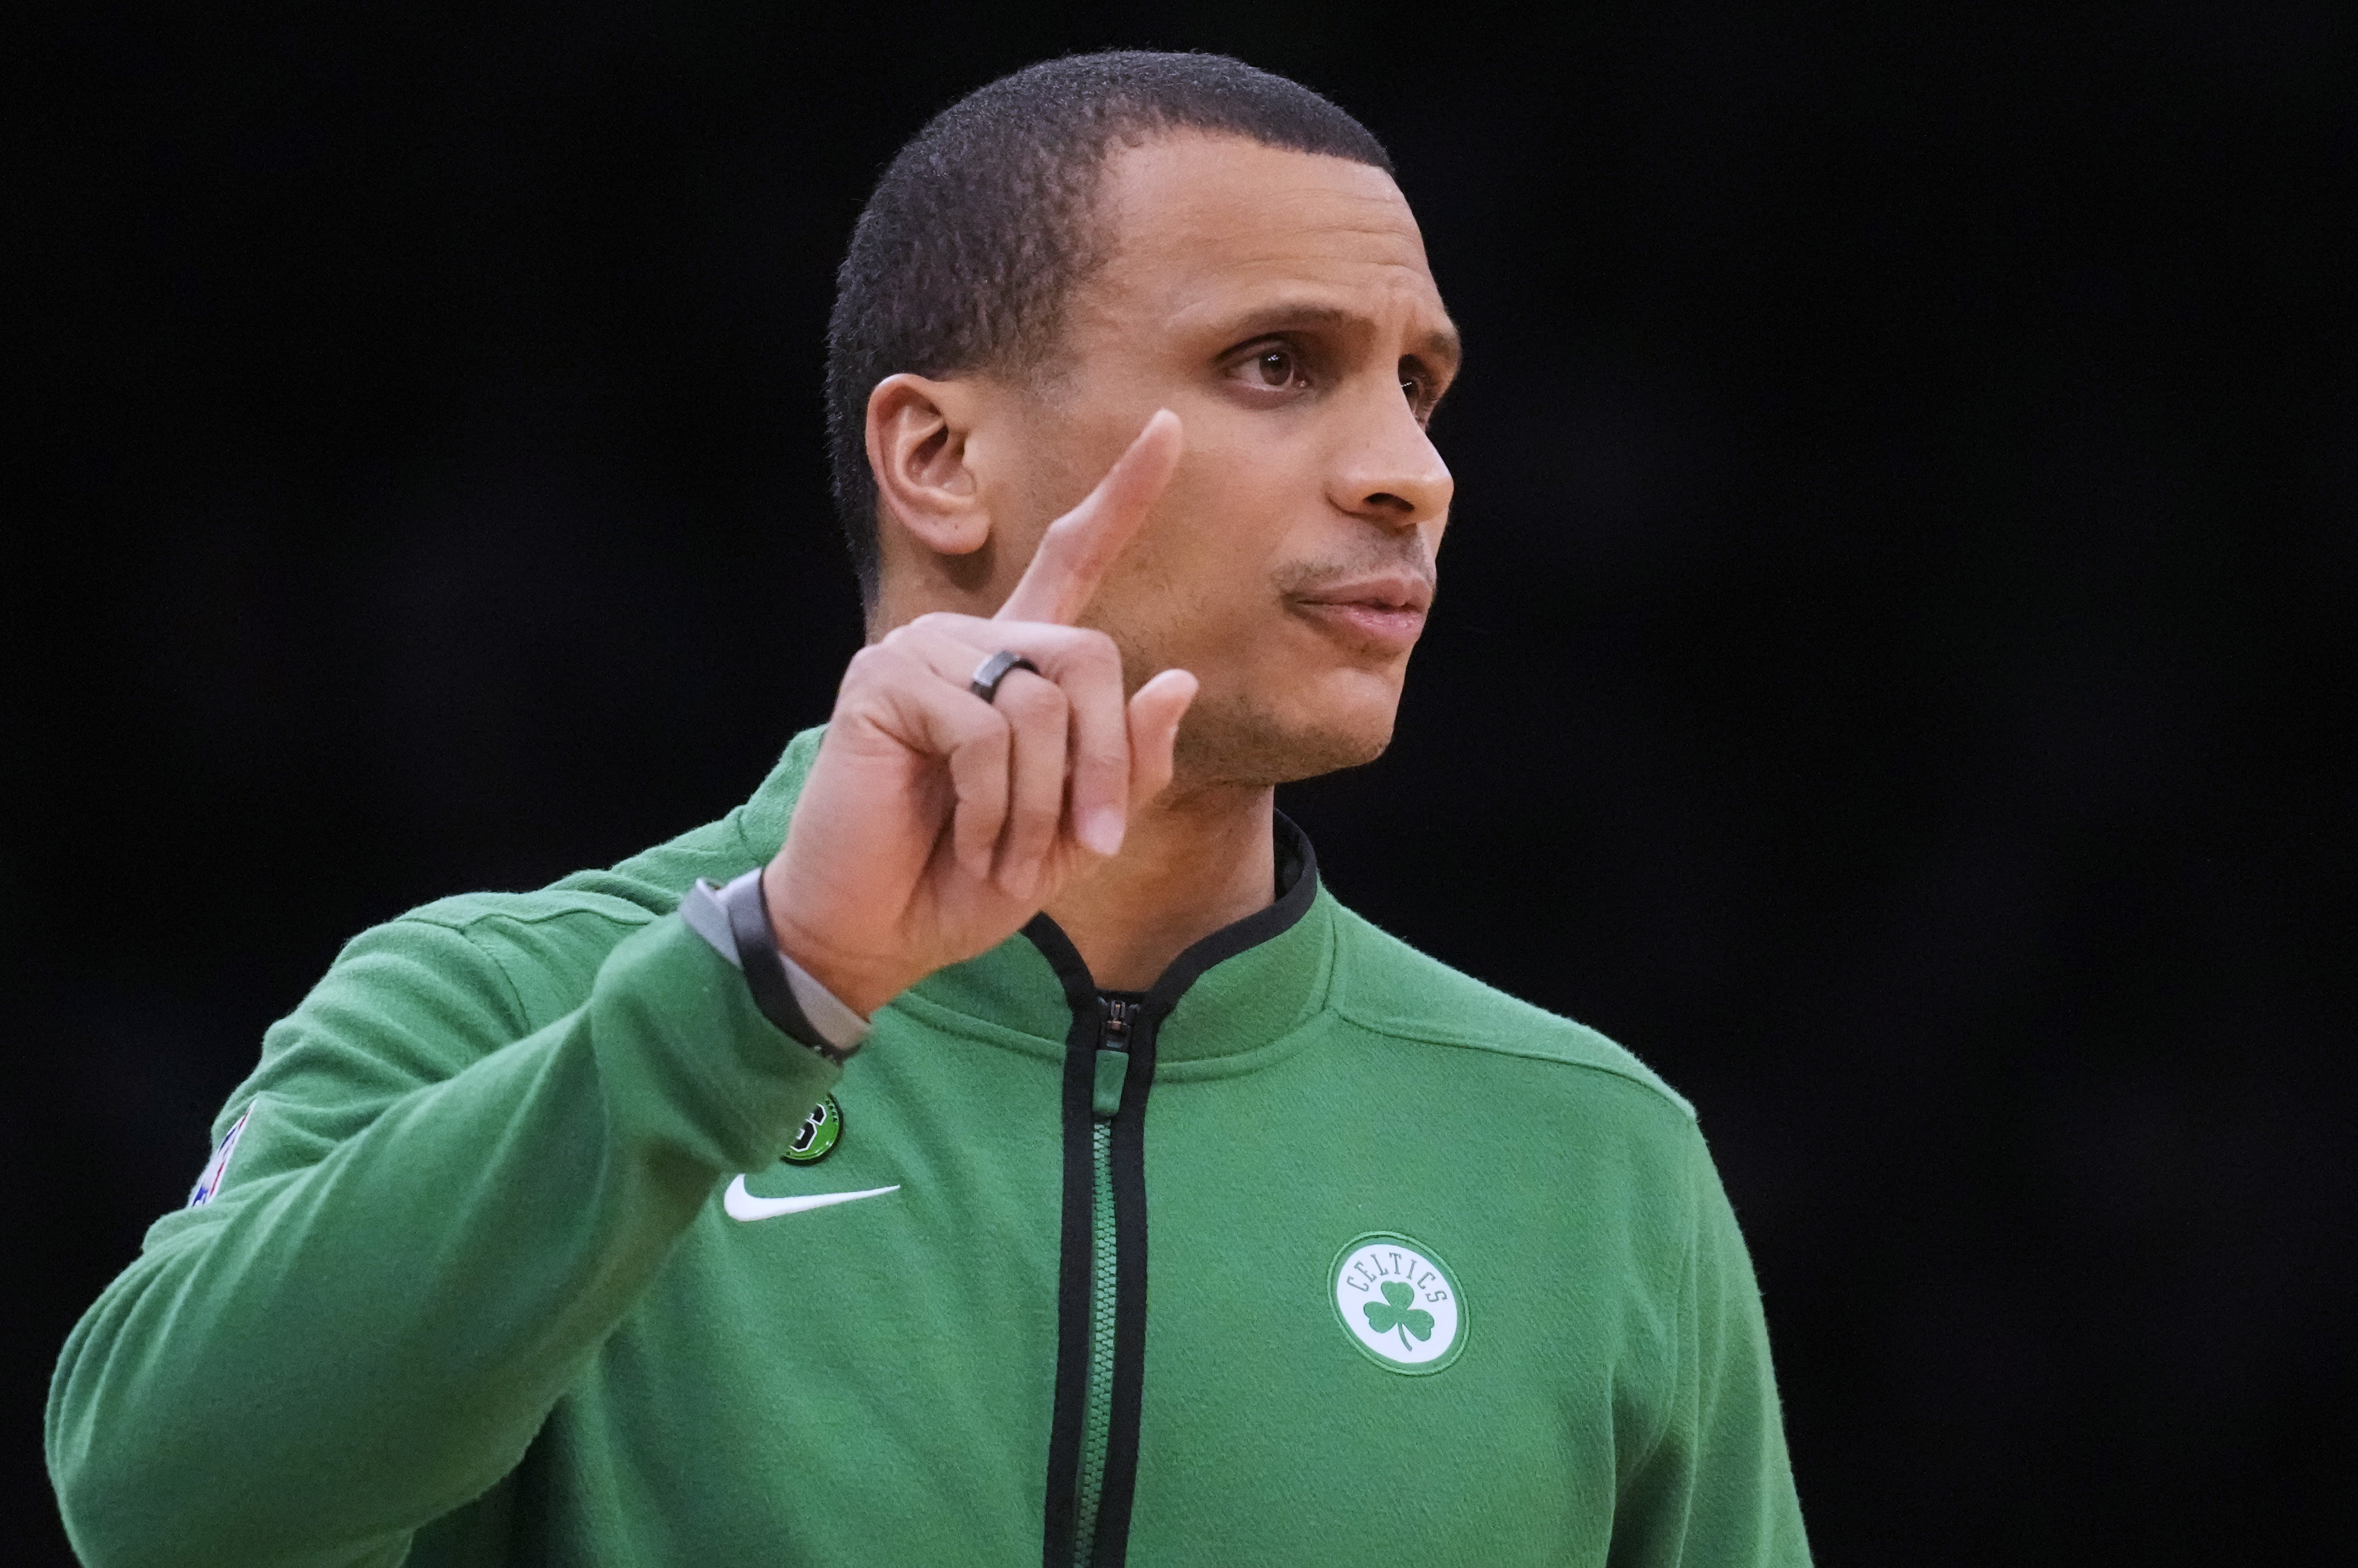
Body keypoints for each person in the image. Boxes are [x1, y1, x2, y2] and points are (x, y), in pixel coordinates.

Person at [47, 51, 1810, 1567]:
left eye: (1416, 387)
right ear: (938, 459)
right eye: (1277, 363)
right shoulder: (500, 1008)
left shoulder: (1591, 1157)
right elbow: (157, 1508)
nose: (1409, 472)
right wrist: (771, 988)